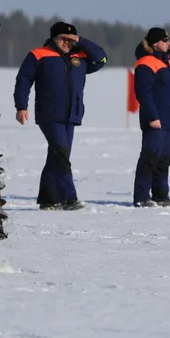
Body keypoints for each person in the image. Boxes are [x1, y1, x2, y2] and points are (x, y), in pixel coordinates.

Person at [13, 21, 108, 210]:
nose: (66, 42)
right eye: (63, 38)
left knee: (57, 156)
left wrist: (81, 41)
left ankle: (48, 199)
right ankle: (68, 198)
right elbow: (23, 80)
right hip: (49, 114)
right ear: (54, 38)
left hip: (72, 114)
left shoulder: (80, 57)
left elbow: (102, 58)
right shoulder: (39, 55)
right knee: (61, 154)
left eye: (70, 39)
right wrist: (21, 106)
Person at [131, 27, 170, 207]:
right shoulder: (146, 63)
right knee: (150, 157)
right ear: (155, 42)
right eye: (165, 40)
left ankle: (160, 196)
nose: (168, 43)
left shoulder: (169, 63)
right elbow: (143, 93)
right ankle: (141, 197)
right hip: (155, 120)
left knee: (164, 159)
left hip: (169, 119)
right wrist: (152, 116)